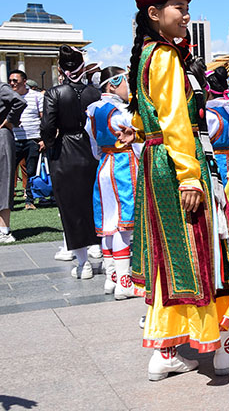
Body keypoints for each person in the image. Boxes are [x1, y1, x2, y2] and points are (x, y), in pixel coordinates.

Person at [125, 0, 229, 380]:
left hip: (157, 161)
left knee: (173, 254)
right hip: (180, 162)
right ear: (154, 14)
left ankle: (165, 352)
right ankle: (221, 347)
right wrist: (190, 177)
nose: (184, 15)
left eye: (186, 8)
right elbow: (178, 121)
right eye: (178, 8)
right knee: (214, 249)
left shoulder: (148, 55)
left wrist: (141, 131)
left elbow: (156, 117)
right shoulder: (162, 56)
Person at [41, 46, 101, 278]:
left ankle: (83, 262)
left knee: (70, 207)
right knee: (93, 202)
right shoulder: (93, 93)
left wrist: (50, 142)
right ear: (82, 67)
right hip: (91, 150)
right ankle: (99, 249)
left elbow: (47, 126)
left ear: (61, 69)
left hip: (64, 151)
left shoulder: (54, 93)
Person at [85, 66, 140, 299]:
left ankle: (111, 277)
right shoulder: (122, 111)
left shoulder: (93, 110)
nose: (129, 87)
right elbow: (138, 141)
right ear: (112, 85)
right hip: (123, 164)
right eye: (125, 82)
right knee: (122, 224)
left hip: (104, 163)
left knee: (108, 221)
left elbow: (92, 142)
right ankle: (124, 280)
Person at [8, 70, 44, 210]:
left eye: (15, 81)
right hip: (13, 139)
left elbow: (43, 118)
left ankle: (30, 200)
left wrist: (43, 139)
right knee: (9, 172)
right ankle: (8, 202)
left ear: (24, 81)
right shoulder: (8, 97)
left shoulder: (36, 97)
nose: (12, 83)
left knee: (30, 171)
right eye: (10, 81)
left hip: (32, 139)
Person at [0, 79, 26, 244]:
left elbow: (20, 101)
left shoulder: (1, 87)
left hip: (1, 135)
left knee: (4, 180)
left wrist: (9, 120)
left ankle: (4, 229)